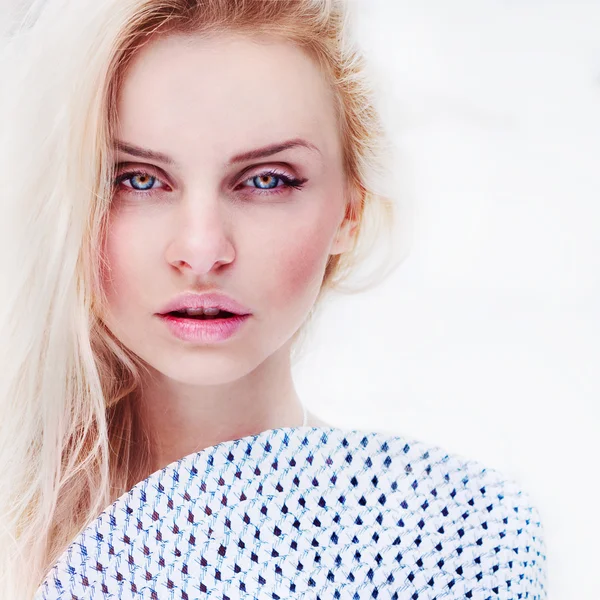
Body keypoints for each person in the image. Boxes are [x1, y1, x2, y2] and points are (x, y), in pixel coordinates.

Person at [0, 0, 547, 598]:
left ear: (349, 210)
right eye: (138, 179)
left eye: (266, 179)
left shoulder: (447, 538)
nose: (202, 250)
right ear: (71, 199)